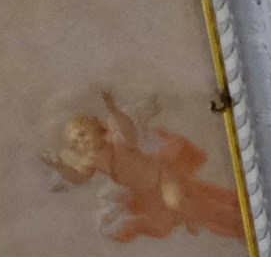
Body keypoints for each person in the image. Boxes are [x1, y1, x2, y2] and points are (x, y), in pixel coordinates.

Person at [44, 95, 246, 243]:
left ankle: (235, 220)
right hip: (149, 192)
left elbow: (129, 131)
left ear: (97, 128)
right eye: (75, 142)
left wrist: (114, 110)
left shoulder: (117, 141)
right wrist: (59, 165)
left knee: (178, 204)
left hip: (161, 174)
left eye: (82, 134)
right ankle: (230, 221)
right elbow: (79, 177)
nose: (81, 141)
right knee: (171, 219)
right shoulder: (91, 161)